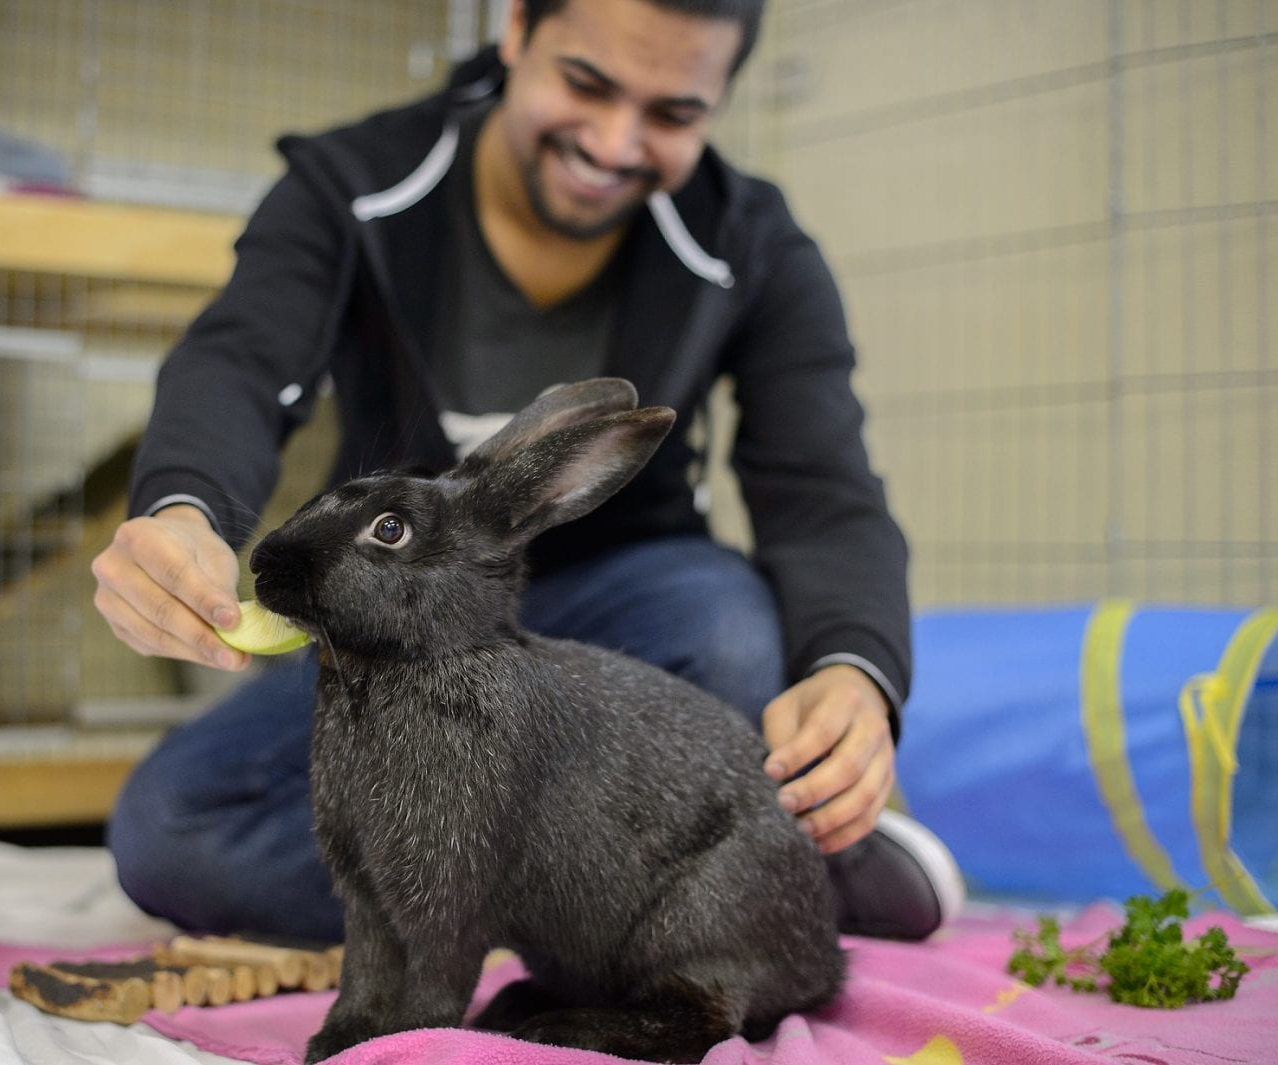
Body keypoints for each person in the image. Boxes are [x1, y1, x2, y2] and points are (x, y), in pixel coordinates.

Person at [93, 0, 964, 944]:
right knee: (172, 831)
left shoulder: (750, 241)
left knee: (729, 640)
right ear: (514, 29)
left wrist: (854, 673)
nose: (613, 143)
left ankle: (628, 882)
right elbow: (242, 361)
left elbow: (823, 493)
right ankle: (660, 887)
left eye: (672, 115)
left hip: (629, 616)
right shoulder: (352, 183)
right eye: (585, 84)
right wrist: (184, 510)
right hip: (399, 623)